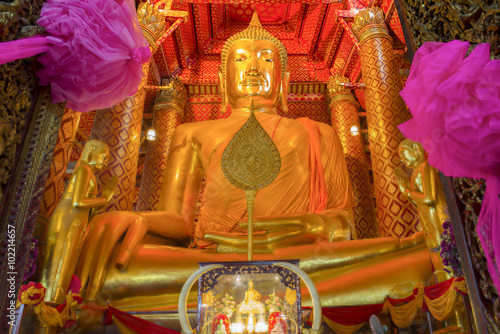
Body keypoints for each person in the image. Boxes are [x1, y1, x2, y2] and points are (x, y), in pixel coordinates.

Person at [71, 13, 433, 310]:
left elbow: (342, 223)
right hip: (211, 260)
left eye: (266, 59)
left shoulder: (319, 132)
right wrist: (136, 218)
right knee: (112, 270)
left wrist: (303, 225)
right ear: (224, 80)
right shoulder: (192, 134)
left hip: (302, 258)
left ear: (284, 79)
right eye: (241, 58)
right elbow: (179, 221)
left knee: (417, 257)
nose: (254, 67)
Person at [40, 140, 117, 304]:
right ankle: (47, 306)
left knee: (67, 266)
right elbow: (78, 202)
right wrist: (104, 199)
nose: (105, 162)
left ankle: (57, 305)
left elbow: (88, 208)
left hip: (76, 222)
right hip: (67, 219)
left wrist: (102, 201)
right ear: (91, 153)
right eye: (104, 157)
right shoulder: (83, 169)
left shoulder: (91, 175)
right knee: (58, 267)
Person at [395, 139, 447, 270]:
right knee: (437, 253)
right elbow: (419, 203)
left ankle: (455, 282)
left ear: (415, 149)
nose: (402, 159)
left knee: (444, 252)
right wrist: (406, 189)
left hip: (437, 219)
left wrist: (407, 191)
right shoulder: (415, 172)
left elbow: (428, 198)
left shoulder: (424, 166)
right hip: (429, 220)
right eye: (400, 157)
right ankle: (447, 282)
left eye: (403, 154)